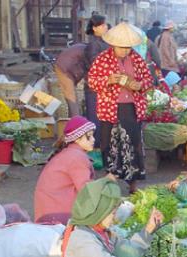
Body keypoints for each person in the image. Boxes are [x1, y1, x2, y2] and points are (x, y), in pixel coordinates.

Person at [88, 22, 154, 194]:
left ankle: (133, 184)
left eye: (128, 47)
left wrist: (139, 85)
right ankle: (111, 182)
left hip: (131, 107)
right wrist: (109, 80)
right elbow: (92, 82)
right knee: (109, 144)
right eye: (122, 47)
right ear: (113, 45)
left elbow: (148, 80)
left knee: (132, 143)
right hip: (109, 108)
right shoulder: (102, 59)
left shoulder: (137, 59)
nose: (125, 50)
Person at [34, 116, 96, 224]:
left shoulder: (69, 153)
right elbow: (87, 191)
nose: (93, 139)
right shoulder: (77, 158)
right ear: (77, 139)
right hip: (59, 216)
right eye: (89, 137)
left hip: (46, 213)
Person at [84, 15, 110, 149]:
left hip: (105, 88)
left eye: (106, 25)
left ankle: (102, 147)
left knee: (103, 120)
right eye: (102, 25)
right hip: (94, 88)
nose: (106, 27)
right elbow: (96, 64)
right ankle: (94, 148)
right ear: (94, 28)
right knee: (95, 120)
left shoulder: (104, 42)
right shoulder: (93, 44)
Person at [54, 43, 87, 117]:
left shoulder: (85, 48)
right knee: (71, 99)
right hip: (64, 69)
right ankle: (77, 124)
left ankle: (71, 121)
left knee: (72, 98)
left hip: (69, 68)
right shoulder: (90, 51)